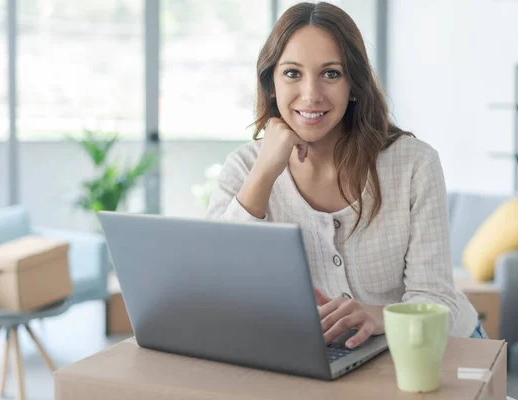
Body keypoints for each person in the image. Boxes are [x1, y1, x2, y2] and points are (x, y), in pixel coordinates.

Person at [206, 1, 487, 347]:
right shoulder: (244, 169)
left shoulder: (415, 165)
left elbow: (436, 301)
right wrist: (264, 173)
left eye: (331, 73)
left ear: (353, 83)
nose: (311, 95)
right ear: (271, 83)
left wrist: (379, 314)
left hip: (443, 346)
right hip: (336, 357)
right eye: (293, 73)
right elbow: (217, 288)